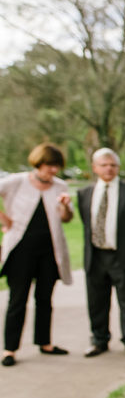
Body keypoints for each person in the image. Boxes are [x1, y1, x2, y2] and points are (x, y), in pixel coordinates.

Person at [0, 143, 74, 367]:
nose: (53, 171)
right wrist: (4, 219)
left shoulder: (59, 186)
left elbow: (66, 218)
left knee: (44, 298)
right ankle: (9, 349)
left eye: (56, 167)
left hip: (49, 251)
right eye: (49, 165)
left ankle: (45, 343)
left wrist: (65, 207)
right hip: (21, 250)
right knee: (18, 299)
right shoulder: (17, 181)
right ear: (39, 163)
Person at [77, 148, 125, 357]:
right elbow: (86, 222)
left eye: (112, 165)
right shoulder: (84, 193)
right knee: (96, 302)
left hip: (124, 256)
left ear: (118, 168)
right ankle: (99, 340)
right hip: (96, 256)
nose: (108, 168)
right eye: (103, 165)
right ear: (94, 168)